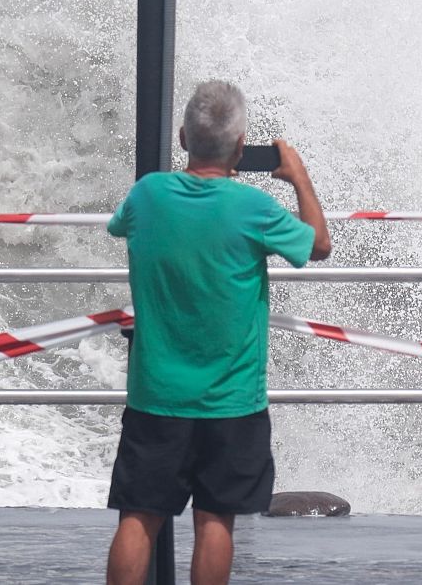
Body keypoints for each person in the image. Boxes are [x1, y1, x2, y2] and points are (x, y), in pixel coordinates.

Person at [104, 80, 331, 585]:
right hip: (231, 399)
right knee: (214, 522)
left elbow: (119, 228)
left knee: (138, 517)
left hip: (156, 394)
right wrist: (298, 177)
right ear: (239, 144)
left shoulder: (148, 194)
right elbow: (318, 244)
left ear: (183, 137)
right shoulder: (253, 208)